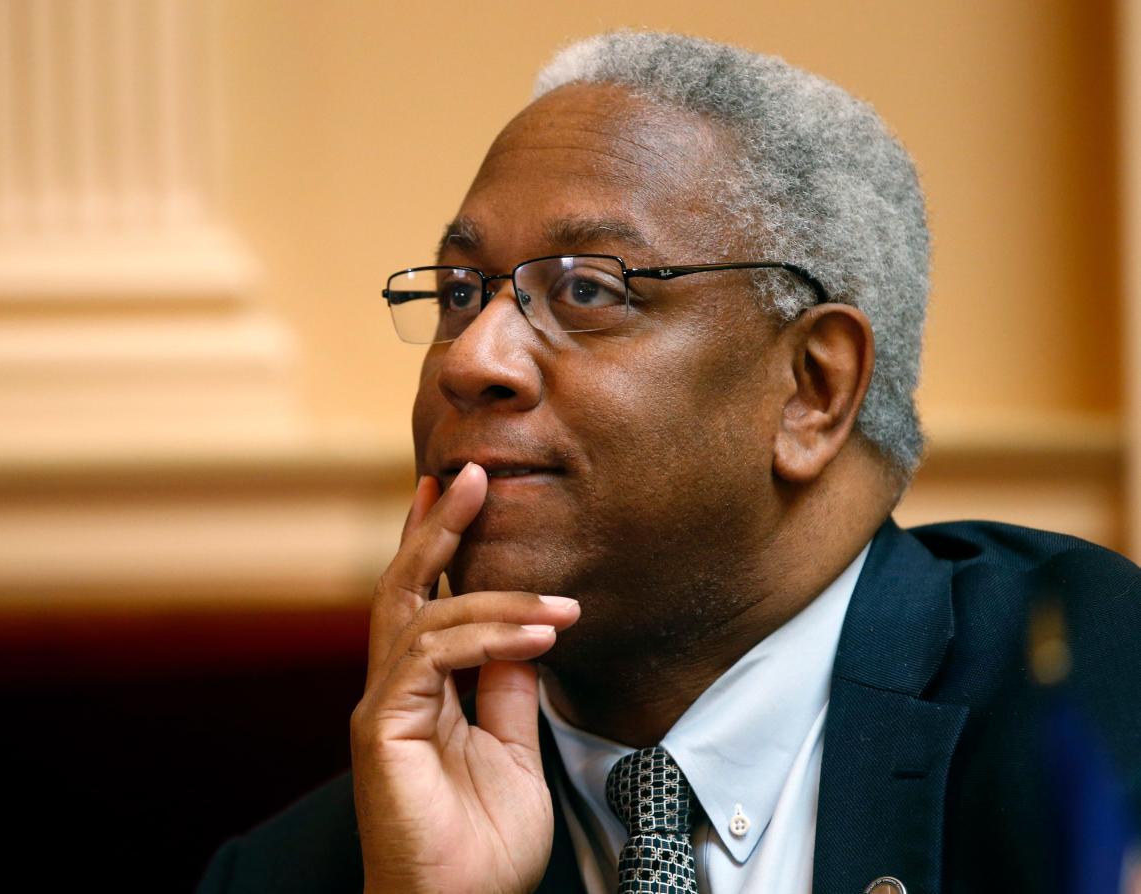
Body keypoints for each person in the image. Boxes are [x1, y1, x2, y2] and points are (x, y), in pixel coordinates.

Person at [199, 30, 1141, 894]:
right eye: (457, 292)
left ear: (812, 388)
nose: (471, 358)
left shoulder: (1098, 696)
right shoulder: (304, 872)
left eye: (587, 290)